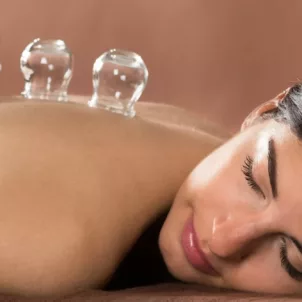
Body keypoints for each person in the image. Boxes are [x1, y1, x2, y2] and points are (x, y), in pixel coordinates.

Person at [0, 83, 300, 297]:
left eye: (290, 259)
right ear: (264, 111)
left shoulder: (205, 139)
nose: (223, 241)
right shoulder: (58, 238)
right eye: (252, 179)